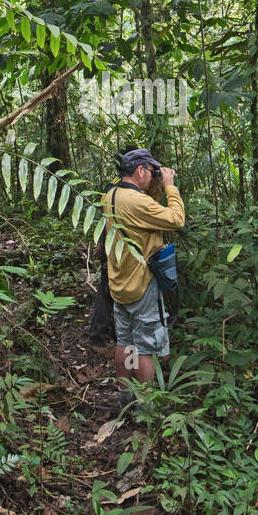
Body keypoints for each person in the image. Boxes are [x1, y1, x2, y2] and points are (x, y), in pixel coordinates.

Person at [102, 148, 185, 415]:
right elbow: (176, 219)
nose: (153, 176)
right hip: (141, 284)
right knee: (146, 348)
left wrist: (156, 187)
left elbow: (145, 209)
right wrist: (170, 187)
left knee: (125, 342)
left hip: (119, 282)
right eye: (151, 171)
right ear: (140, 171)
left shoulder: (112, 194)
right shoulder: (137, 203)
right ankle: (147, 408)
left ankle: (125, 398)